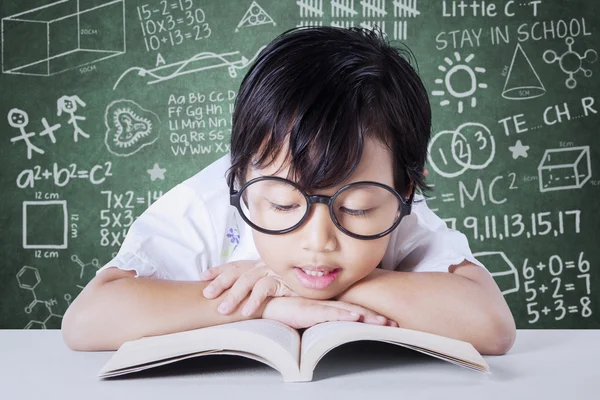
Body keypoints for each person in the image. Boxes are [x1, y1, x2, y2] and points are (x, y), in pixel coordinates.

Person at [61, 26, 515, 354]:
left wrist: (324, 287)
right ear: (240, 179)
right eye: (283, 204)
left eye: (355, 210)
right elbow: (85, 322)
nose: (318, 241)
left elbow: (491, 327)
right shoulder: (207, 203)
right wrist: (266, 304)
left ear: (406, 191)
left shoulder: (394, 205)